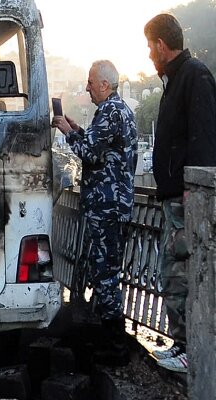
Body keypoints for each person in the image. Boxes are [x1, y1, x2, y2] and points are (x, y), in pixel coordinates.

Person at [52, 60, 137, 363]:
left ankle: (115, 346)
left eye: (90, 82)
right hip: (115, 206)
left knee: (105, 276)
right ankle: (110, 339)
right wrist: (78, 129)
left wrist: (65, 131)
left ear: (104, 84)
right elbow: (102, 146)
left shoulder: (109, 111)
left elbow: (89, 152)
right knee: (107, 273)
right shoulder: (121, 110)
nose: (87, 87)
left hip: (106, 208)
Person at [144, 13, 216, 373]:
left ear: (160, 45)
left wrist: (192, 194)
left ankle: (190, 348)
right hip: (173, 197)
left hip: (185, 200)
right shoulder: (176, 80)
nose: (148, 55)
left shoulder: (195, 76)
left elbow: (203, 140)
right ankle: (181, 343)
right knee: (171, 272)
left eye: (149, 47)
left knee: (182, 274)